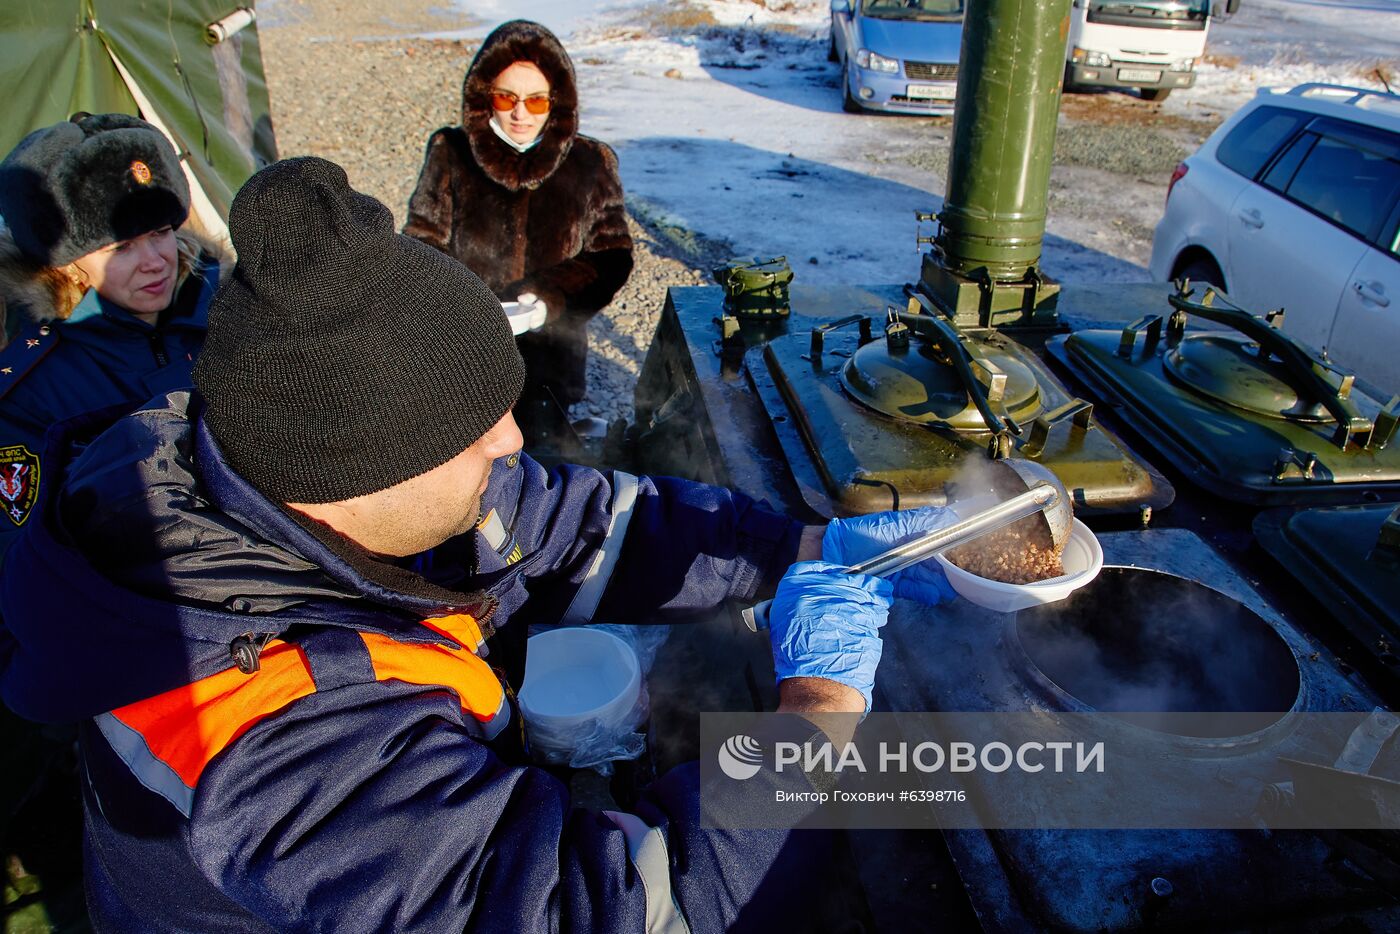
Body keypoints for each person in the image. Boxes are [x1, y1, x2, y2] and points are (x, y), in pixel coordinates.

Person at [0, 157, 953, 932]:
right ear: (357, 466)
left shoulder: (286, 487)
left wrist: (809, 549)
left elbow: (575, 527)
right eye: (474, 428)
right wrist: (816, 719)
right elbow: (603, 914)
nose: (510, 442)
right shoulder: (268, 754)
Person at [0, 113, 223, 557]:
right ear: (64, 262)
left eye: (161, 233)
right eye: (122, 247)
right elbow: (22, 559)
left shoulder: (228, 310)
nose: (156, 260)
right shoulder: (32, 390)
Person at [404, 19, 633, 442]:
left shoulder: (590, 162)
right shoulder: (451, 154)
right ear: (484, 96)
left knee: (544, 474)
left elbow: (611, 255)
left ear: (557, 101)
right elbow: (420, 245)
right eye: (506, 97)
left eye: (537, 101)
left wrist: (552, 298)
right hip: (464, 358)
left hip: (551, 361)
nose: (520, 113)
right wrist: (459, 311)